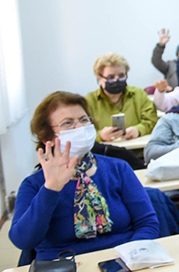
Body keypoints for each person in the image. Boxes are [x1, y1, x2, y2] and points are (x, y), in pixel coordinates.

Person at [9, 91, 159, 261]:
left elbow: (147, 223)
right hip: (64, 270)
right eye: (68, 123)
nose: (80, 128)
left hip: (124, 261)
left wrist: (131, 256)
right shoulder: (34, 184)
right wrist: (51, 188)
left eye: (84, 120)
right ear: (47, 136)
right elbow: (23, 240)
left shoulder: (118, 168)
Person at [85, 52, 158, 143]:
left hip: (137, 152)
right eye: (111, 77)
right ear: (99, 78)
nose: (117, 80)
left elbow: (153, 121)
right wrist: (100, 135)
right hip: (105, 153)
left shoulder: (138, 94)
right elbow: (83, 133)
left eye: (121, 76)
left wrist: (138, 130)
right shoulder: (89, 101)